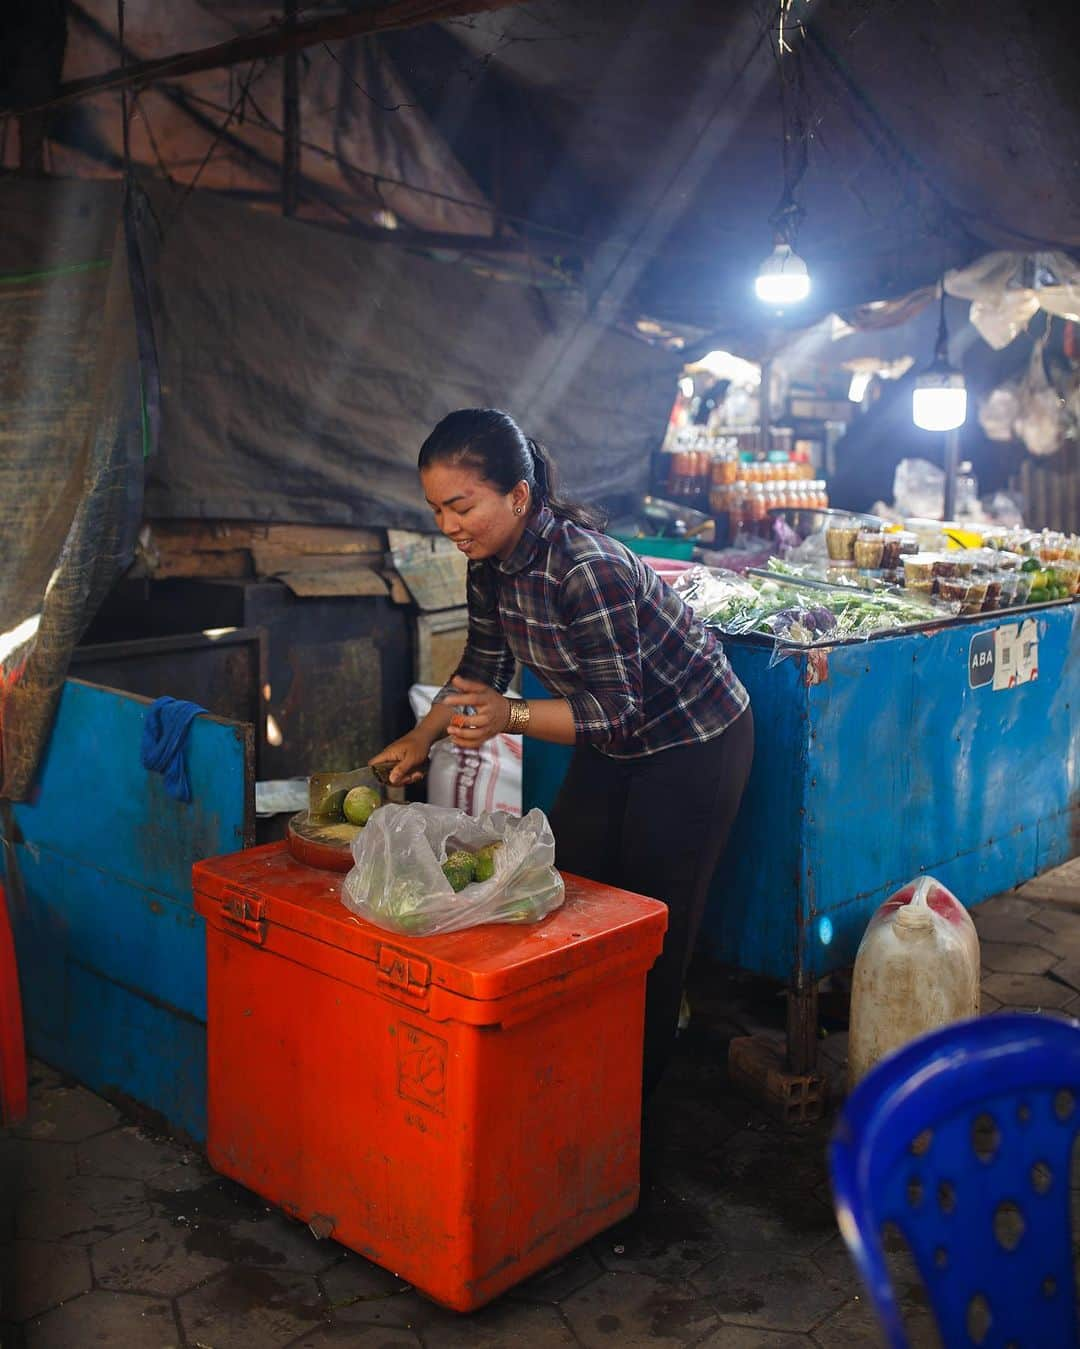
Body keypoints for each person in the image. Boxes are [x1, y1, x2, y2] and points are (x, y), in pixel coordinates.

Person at [371, 408, 754, 1094]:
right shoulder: (489, 565)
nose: (449, 525)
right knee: (564, 889)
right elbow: (480, 667)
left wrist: (508, 716)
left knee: (649, 927)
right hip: (617, 739)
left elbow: (615, 710)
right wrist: (419, 737)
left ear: (518, 496)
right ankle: (570, 1072)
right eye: (437, 510)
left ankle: (631, 1110)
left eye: (462, 506)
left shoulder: (584, 567)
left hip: (692, 741)